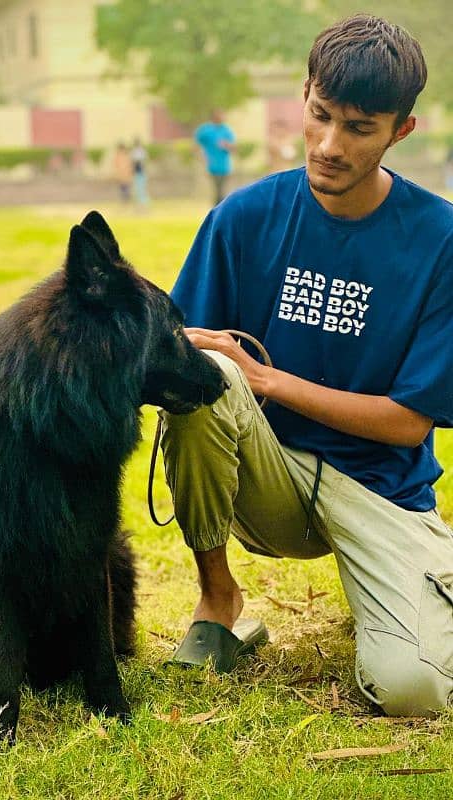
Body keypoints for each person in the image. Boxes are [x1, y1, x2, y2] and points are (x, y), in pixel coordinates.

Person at [161, 14, 453, 717]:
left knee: (414, 689)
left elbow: (409, 425)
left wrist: (266, 378)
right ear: (304, 96)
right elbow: (173, 354)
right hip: (268, 475)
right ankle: (219, 597)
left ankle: (393, 598)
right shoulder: (242, 218)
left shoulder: (440, 240)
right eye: (319, 116)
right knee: (204, 376)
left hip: (382, 489)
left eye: (358, 128)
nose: (328, 145)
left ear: (399, 132)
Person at [195, 109, 236, 206]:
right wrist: (202, 159)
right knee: (218, 190)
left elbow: (233, 148)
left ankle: (219, 209)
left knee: (221, 190)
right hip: (211, 166)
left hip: (225, 166)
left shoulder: (226, 130)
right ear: (213, 116)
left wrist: (226, 145)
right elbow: (196, 146)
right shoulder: (205, 130)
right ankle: (218, 209)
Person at [131, 137, 149, 207]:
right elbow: (133, 163)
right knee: (138, 189)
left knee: (142, 189)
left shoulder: (141, 151)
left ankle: (144, 203)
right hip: (137, 173)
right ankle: (139, 203)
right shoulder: (134, 152)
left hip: (141, 172)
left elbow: (143, 162)